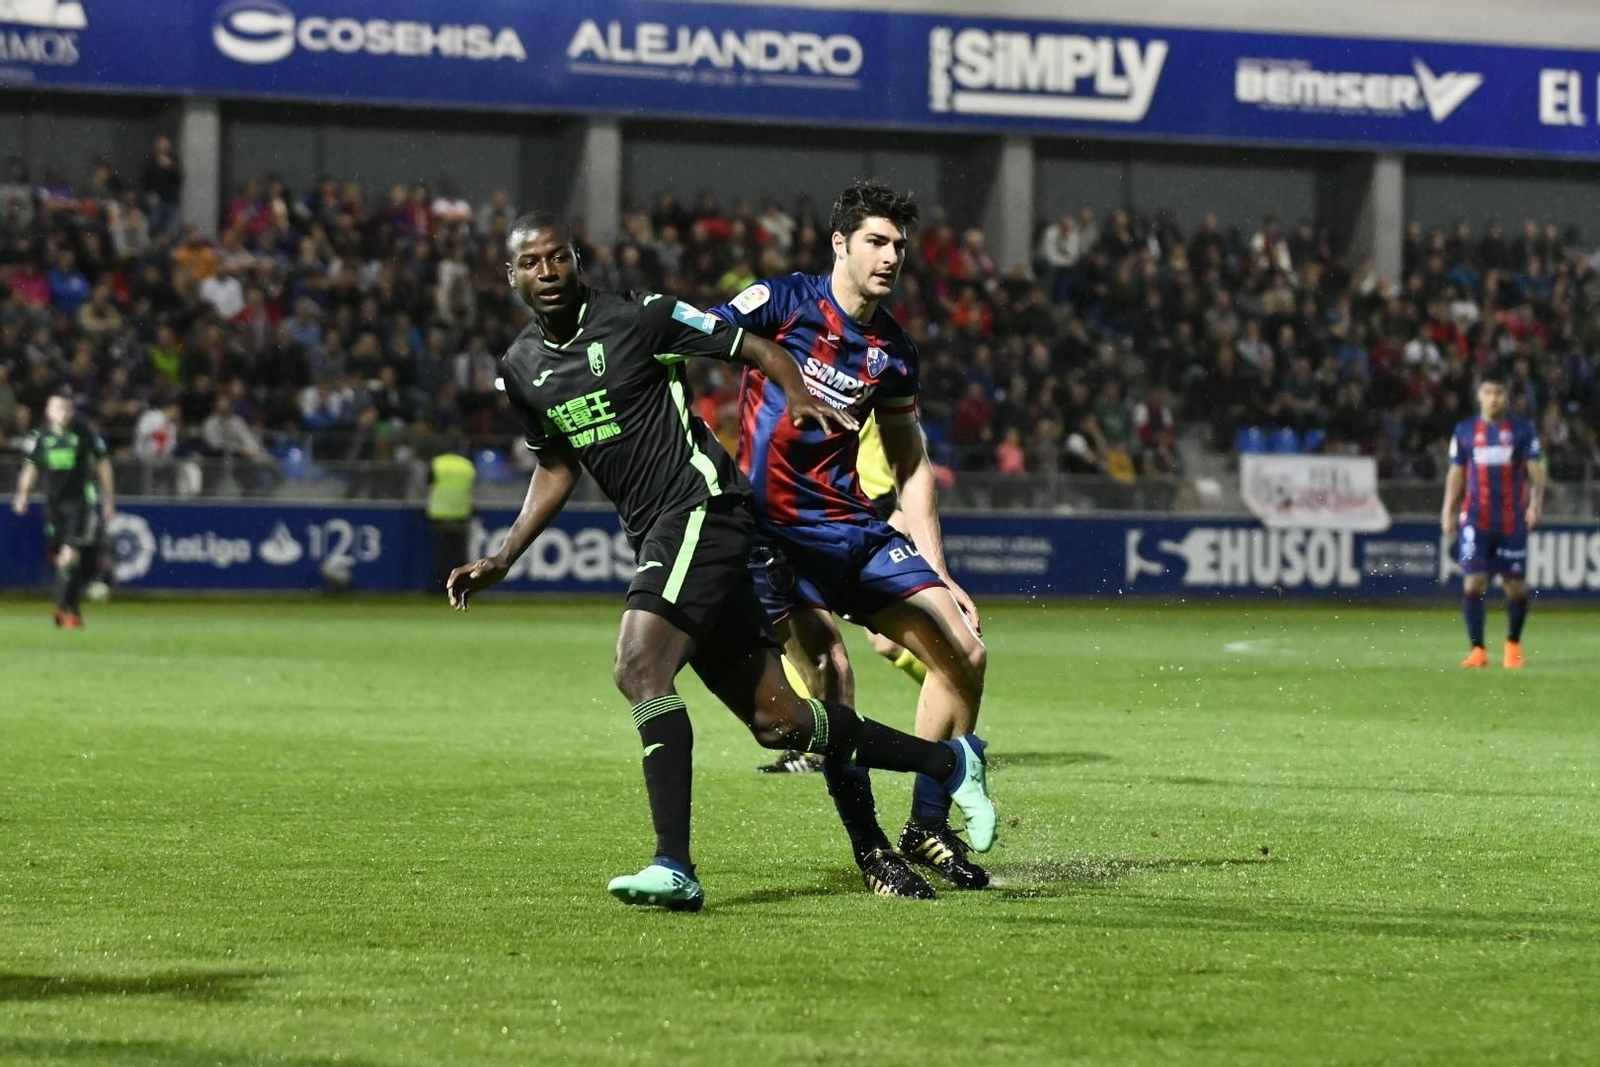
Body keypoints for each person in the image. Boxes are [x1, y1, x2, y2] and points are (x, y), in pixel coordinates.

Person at [445, 213, 994, 911]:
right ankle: (949, 759)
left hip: (703, 507)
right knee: (784, 721)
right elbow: (556, 464)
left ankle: (673, 864)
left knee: (639, 665)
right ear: (511, 276)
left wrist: (795, 389)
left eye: (559, 259)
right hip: (659, 531)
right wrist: (504, 553)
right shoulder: (521, 367)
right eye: (532, 264)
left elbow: (749, 344)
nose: (547, 273)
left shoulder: (639, 318)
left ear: (578, 262)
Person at [712, 182, 991, 896]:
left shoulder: (893, 352)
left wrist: (939, 569)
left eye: (899, 244)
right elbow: (689, 336)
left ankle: (926, 823)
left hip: (851, 527)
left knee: (966, 651)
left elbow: (909, 461)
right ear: (840, 244)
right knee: (832, 676)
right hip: (774, 539)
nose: (891, 255)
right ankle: (872, 852)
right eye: (876, 240)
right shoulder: (780, 303)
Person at [1441, 370, 1546, 670]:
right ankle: (1478, 650)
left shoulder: (1522, 430)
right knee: (1474, 581)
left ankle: (1513, 642)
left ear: (1507, 396)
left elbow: (1536, 472)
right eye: (1488, 392)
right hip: (1476, 519)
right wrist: (1448, 509)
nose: (1493, 398)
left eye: (1499, 392)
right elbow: (1456, 473)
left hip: (1512, 520)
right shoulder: (1464, 430)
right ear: (1479, 395)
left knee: (1515, 587)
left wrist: (1536, 506)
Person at [10, 392, 115, 629]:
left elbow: (103, 464)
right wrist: (22, 495)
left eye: (67, 408)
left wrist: (108, 499)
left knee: (69, 554)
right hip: (53, 505)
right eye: (58, 408)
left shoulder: (83, 433)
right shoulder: (40, 437)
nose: (64, 413)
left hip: (78, 503)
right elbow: (30, 468)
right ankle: (74, 612)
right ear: (49, 412)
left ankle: (60, 606)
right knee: (64, 560)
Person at [426, 437, 476, 594]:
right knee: (459, 554)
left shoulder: (437, 464)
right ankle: (461, 586)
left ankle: (441, 586)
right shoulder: (467, 466)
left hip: (440, 516)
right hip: (461, 515)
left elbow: (428, 482)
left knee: (442, 554)